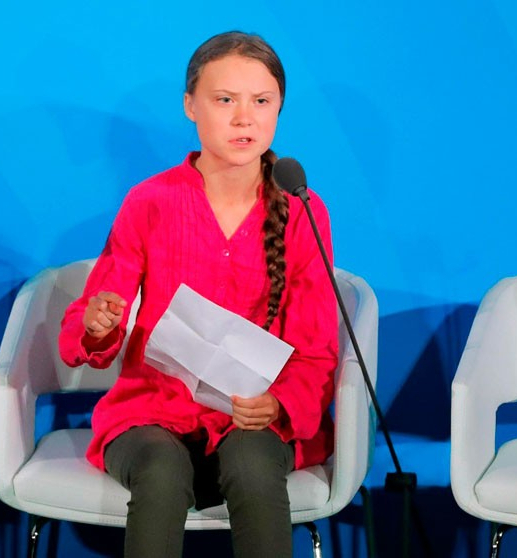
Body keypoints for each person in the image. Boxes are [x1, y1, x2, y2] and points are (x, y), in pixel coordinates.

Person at [58, 30, 338, 558]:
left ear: (279, 108)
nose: (244, 118)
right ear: (191, 105)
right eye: (225, 100)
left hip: (254, 417)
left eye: (261, 102)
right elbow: (95, 315)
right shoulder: (150, 201)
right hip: (153, 412)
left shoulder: (303, 208)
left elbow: (317, 346)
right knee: (161, 471)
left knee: (252, 464)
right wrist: (98, 324)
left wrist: (277, 403)